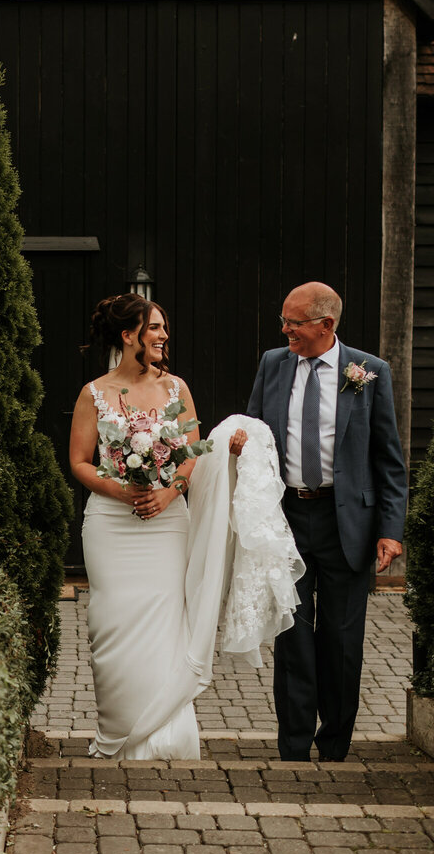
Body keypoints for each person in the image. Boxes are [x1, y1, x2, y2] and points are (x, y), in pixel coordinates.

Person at [232, 281, 407, 762]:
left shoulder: (368, 372)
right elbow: (256, 431)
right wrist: (239, 444)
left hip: (347, 522)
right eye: (283, 321)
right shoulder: (273, 364)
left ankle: (334, 746)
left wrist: (391, 530)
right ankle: (292, 747)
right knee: (291, 635)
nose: (285, 330)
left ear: (326, 325)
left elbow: (388, 459)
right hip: (286, 519)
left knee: (342, 640)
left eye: (294, 322)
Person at [67, 293, 205, 759]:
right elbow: (80, 463)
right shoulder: (94, 393)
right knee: (113, 621)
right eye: (153, 328)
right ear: (128, 336)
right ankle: (120, 730)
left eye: (164, 327)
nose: (163, 335)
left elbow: (191, 454)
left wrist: (169, 492)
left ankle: (168, 736)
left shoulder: (177, 389)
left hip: (168, 524)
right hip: (110, 524)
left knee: (165, 622)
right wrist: (121, 490)